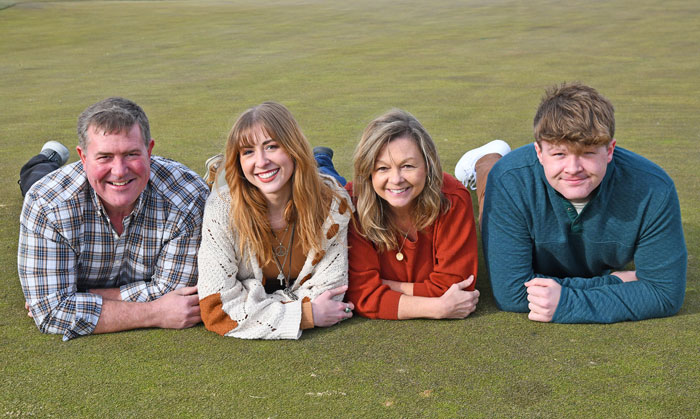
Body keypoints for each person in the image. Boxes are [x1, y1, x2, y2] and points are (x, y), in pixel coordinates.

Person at [455, 82, 686, 323]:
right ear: (539, 152)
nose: (573, 169)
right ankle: (484, 159)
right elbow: (511, 293)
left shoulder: (654, 188)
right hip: (505, 179)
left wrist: (566, 301)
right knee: (489, 192)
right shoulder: (509, 180)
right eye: (559, 154)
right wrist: (618, 282)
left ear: (610, 150)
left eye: (587, 153)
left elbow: (664, 293)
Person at [18, 97, 209, 341]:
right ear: (83, 158)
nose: (119, 170)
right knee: (34, 179)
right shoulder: (47, 202)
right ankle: (48, 157)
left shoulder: (188, 197)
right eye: (104, 156)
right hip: (50, 184)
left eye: (131, 154)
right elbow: (51, 311)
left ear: (149, 151)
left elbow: (178, 294)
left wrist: (77, 295)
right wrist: (155, 312)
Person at [197, 102, 354, 339]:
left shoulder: (333, 204)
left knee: (330, 178)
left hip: (312, 182)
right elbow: (217, 309)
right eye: (247, 151)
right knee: (226, 183)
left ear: (293, 148)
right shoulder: (220, 209)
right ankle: (220, 169)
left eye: (271, 147)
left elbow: (331, 291)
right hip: (238, 186)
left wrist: (252, 301)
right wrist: (305, 313)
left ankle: (320, 159)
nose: (261, 160)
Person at [344, 109, 480, 320]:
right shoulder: (353, 203)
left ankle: (485, 159)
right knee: (327, 187)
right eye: (382, 168)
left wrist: (389, 286)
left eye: (407, 166)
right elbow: (361, 294)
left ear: (427, 166)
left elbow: (456, 286)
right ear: (368, 174)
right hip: (338, 190)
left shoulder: (453, 198)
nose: (396, 179)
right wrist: (437, 308)